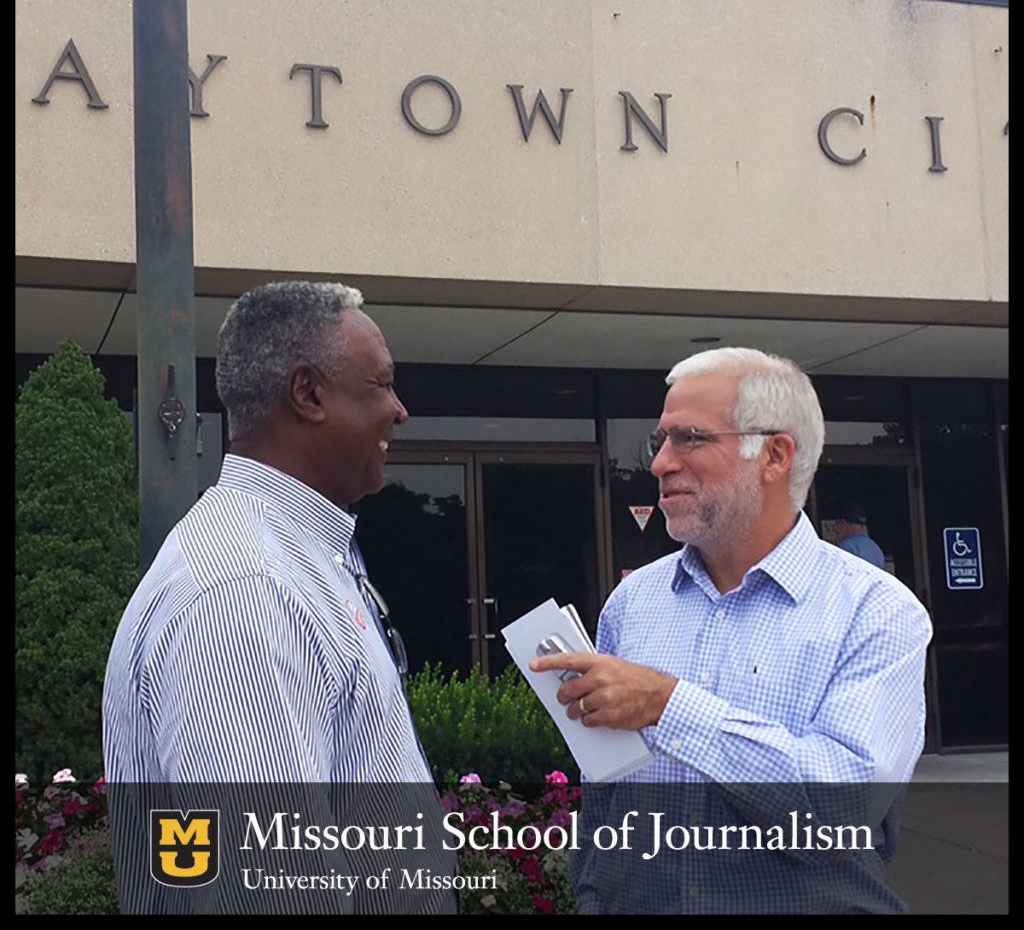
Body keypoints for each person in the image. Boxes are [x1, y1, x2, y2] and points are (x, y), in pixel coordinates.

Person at [531, 347, 932, 913]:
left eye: (690, 438)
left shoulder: (876, 612)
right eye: (660, 441)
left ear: (774, 455)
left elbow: (842, 814)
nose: (659, 463)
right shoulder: (632, 603)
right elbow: (606, 795)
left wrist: (669, 707)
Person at [102, 281, 456, 914]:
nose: (399, 410)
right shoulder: (246, 594)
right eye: (381, 385)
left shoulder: (299, 559)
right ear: (308, 394)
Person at [833, 500, 887, 569]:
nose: (835, 529)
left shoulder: (845, 547)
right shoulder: (875, 548)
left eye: (837, 524)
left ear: (843, 523)